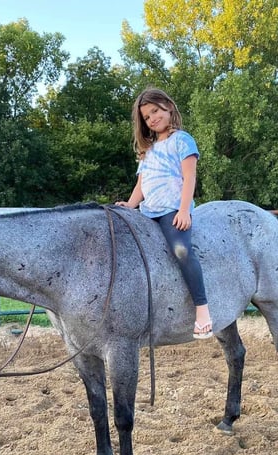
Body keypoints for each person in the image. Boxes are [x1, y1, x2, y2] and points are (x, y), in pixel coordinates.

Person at [116, 87, 213, 339]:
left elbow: (189, 176)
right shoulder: (147, 150)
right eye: (147, 117)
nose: (153, 119)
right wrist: (130, 204)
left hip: (172, 210)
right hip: (148, 212)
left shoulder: (182, 140)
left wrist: (184, 210)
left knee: (181, 250)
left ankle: (202, 310)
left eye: (156, 111)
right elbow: (141, 185)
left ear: (168, 107)